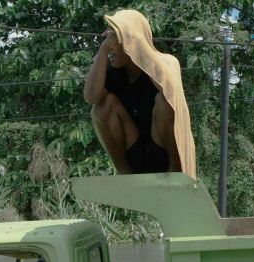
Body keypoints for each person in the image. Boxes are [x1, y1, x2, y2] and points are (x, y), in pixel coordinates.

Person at [83, 9, 196, 177]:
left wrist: (139, 49)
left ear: (132, 40)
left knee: (164, 101)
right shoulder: (114, 72)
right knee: (101, 106)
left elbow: (172, 95)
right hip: (135, 152)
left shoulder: (166, 62)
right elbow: (91, 97)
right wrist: (103, 49)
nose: (110, 44)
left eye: (115, 38)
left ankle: (175, 170)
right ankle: (124, 171)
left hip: (164, 153)